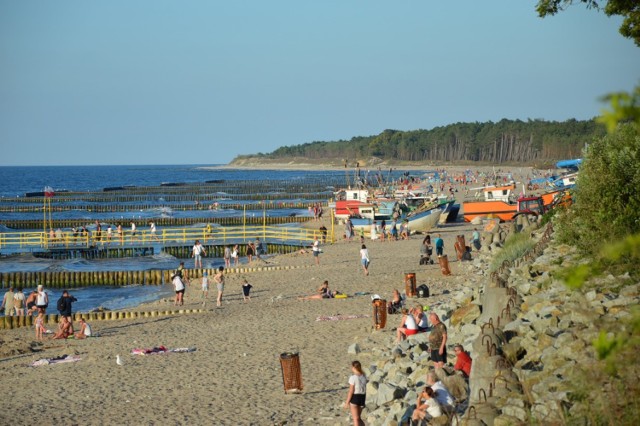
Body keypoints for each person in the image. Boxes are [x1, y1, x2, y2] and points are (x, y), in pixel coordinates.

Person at [344, 360, 367, 426]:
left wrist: (347, 402)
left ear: (354, 367)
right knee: (358, 417)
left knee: (355, 419)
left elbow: (351, 391)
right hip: (362, 397)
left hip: (355, 397)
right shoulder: (364, 376)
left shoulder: (353, 377)